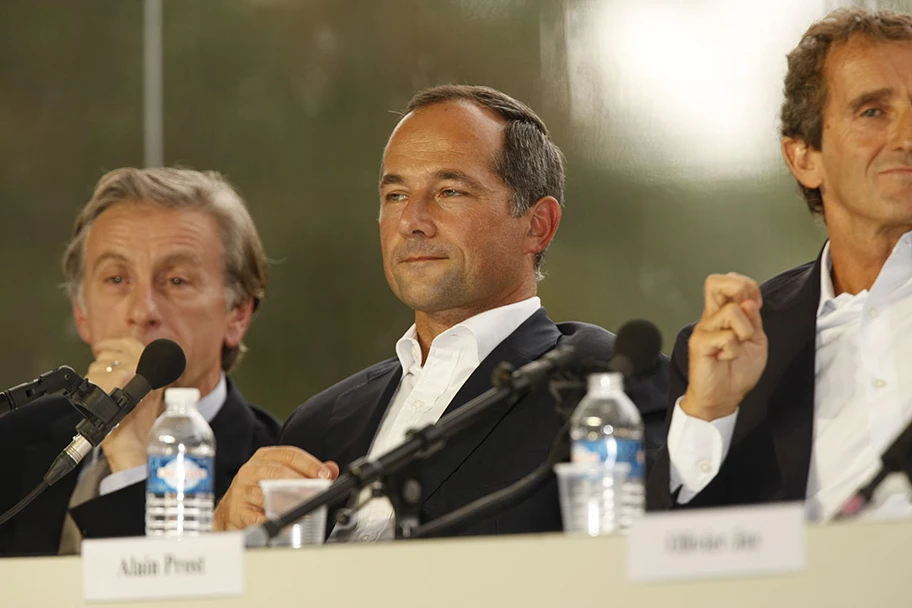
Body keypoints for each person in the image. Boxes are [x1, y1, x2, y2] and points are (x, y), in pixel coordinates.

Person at [213, 85, 669, 540]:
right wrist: (227, 537)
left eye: (449, 191)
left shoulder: (605, 383)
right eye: (395, 196)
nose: (412, 220)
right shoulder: (319, 422)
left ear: (537, 225)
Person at [647, 7, 912, 522]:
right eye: (873, 112)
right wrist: (710, 414)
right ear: (804, 158)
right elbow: (673, 559)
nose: (907, 136)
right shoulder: (737, 343)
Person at [0, 167, 281, 556]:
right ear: (82, 313)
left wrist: (131, 461)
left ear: (238, 314)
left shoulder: (273, 473)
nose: (142, 311)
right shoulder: (12, 442)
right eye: (116, 279)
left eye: (177, 281)